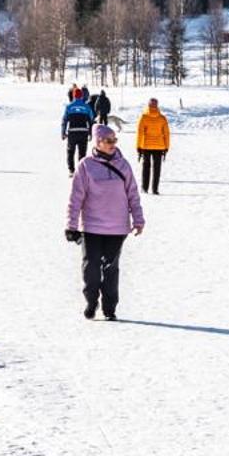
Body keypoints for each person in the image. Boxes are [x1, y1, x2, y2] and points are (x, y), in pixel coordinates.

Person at [65, 124, 145, 320]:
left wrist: (138, 219)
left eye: (114, 140)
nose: (112, 144)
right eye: (108, 140)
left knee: (111, 269)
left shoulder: (123, 165)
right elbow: (75, 198)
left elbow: (133, 194)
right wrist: (71, 225)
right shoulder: (85, 165)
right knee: (90, 267)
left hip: (117, 227)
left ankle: (109, 308)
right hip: (91, 227)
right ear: (98, 142)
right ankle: (91, 301)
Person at [135, 97, 170, 195]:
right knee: (157, 168)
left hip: (146, 146)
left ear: (148, 105)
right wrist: (167, 147)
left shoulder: (144, 117)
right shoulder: (162, 118)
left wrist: (138, 146)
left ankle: (144, 187)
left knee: (146, 167)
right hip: (159, 146)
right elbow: (166, 133)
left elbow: (140, 133)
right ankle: (155, 189)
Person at [61, 91, 96, 173]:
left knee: (70, 151)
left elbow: (64, 120)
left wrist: (63, 132)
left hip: (72, 132)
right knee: (82, 152)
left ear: (73, 96)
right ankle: (81, 171)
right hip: (83, 132)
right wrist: (91, 133)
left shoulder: (69, 107)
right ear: (82, 96)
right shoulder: (87, 107)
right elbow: (91, 120)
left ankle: (71, 170)